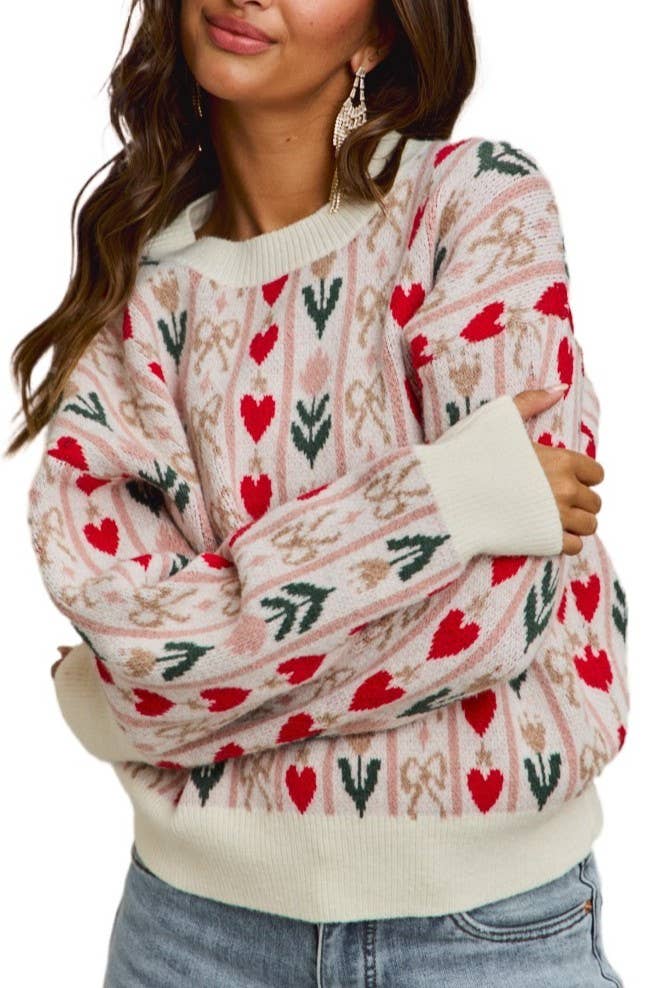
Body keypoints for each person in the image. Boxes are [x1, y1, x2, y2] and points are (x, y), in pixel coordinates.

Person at [9, 1, 628, 985]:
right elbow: (129, 632)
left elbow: (497, 611)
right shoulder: (137, 295)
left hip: (484, 938)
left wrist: (150, 707)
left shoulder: (472, 205)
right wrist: (448, 502)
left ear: (379, 32)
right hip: (189, 939)